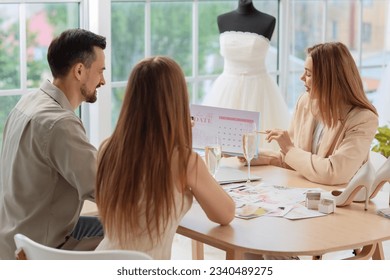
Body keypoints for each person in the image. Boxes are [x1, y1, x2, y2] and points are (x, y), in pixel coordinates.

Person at [95, 56, 235, 260]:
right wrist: (182, 141)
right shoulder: (185, 161)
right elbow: (225, 214)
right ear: (177, 102)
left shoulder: (107, 148)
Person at [0, 28, 106, 259]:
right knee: (135, 232)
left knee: (103, 221)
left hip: (11, 241)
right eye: (100, 72)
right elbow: (105, 188)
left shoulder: (27, 102)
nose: (103, 81)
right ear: (79, 70)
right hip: (42, 249)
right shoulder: (61, 123)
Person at [249, 42, 379, 186]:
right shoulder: (305, 102)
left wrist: (289, 148)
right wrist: (252, 155)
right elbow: (295, 160)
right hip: (305, 192)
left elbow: (333, 173)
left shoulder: (363, 119)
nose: (302, 77)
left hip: (342, 201)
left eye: (309, 74)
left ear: (329, 79)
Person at [202, 0, 290, 151]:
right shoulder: (222, 19)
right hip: (226, 88)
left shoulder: (268, 21)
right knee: (220, 147)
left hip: (258, 89)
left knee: (260, 148)